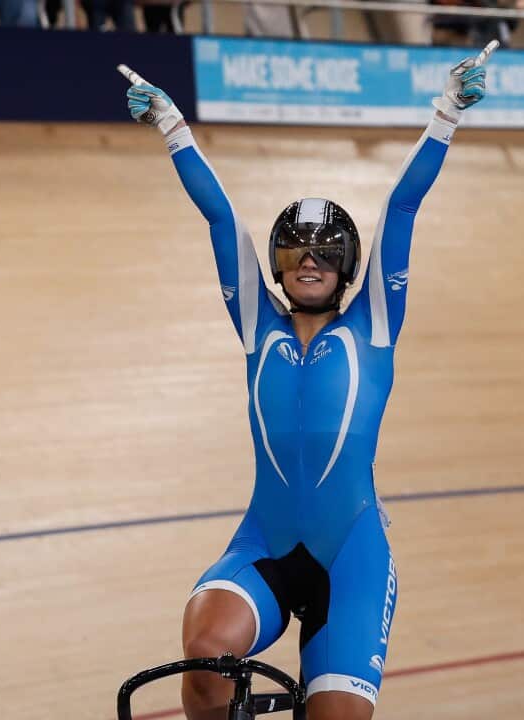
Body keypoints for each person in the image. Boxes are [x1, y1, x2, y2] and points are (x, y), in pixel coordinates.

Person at [118, 40, 498, 720]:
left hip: (350, 557)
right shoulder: (255, 324)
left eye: (326, 251)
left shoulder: (373, 324)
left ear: (347, 264)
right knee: (205, 660)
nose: (310, 261)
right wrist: (172, 126)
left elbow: (401, 209)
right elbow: (220, 217)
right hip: (263, 544)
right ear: (277, 263)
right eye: (296, 251)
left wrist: (447, 113)